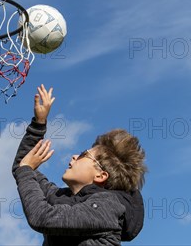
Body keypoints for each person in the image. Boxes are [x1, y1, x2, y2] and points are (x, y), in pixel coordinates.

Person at [12, 85, 147, 245]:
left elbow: (43, 217)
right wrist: (38, 125)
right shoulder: (62, 198)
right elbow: (22, 168)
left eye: (84, 155)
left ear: (101, 175)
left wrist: (27, 169)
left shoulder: (107, 207)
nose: (75, 156)